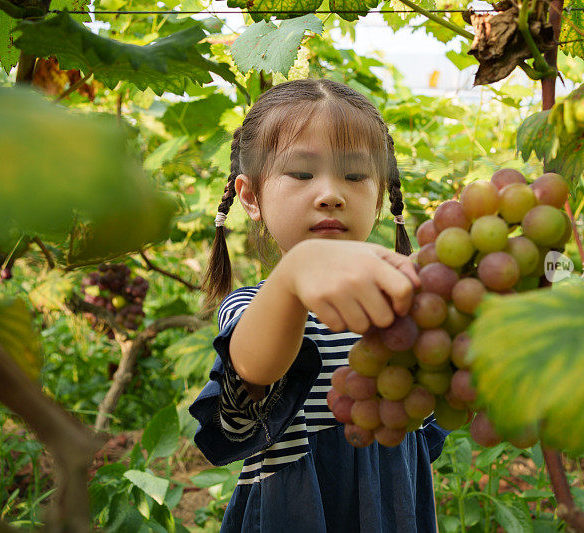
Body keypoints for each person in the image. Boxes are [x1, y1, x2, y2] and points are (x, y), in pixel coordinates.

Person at [189, 78, 449, 532]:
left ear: (382, 192)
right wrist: (295, 276)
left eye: (355, 175)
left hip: (395, 509)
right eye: (301, 173)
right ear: (250, 197)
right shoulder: (255, 305)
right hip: (297, 515)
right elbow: (254, 370)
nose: (331, 193)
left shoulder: (408, 302)